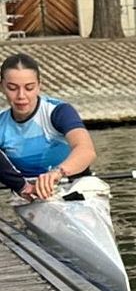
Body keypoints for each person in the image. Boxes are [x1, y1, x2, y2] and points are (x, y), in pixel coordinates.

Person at [0, 53, 96, 201]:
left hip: (72, 185)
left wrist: (56, 173)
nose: (21, 96)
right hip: (29, 192)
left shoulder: (58, 111)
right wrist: (22, 187)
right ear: (2, 87)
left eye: (29, 88)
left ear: (39, 86)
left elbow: (86, 150)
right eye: (12, 88)